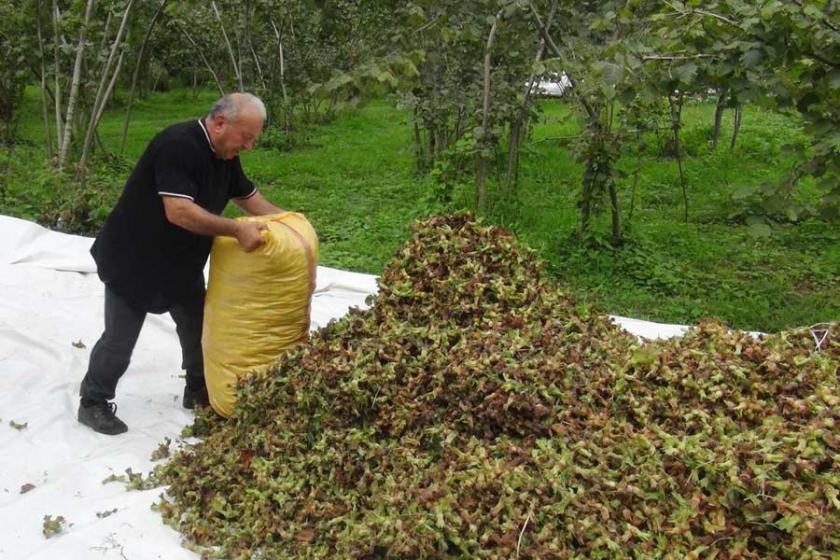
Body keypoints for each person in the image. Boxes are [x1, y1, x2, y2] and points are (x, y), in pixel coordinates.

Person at [78, 92, 283, 435]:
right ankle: (93, 402)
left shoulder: (224, 154)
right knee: (119, 339)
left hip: (180, 262)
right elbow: (179, 211)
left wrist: (292, 224)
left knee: (198, 328)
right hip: (134, 259)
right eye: (246, 137)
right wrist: (235, 230)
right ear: (220, 123)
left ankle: (197, 392)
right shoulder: (178, 145)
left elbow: (249, 198)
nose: (248, 146)